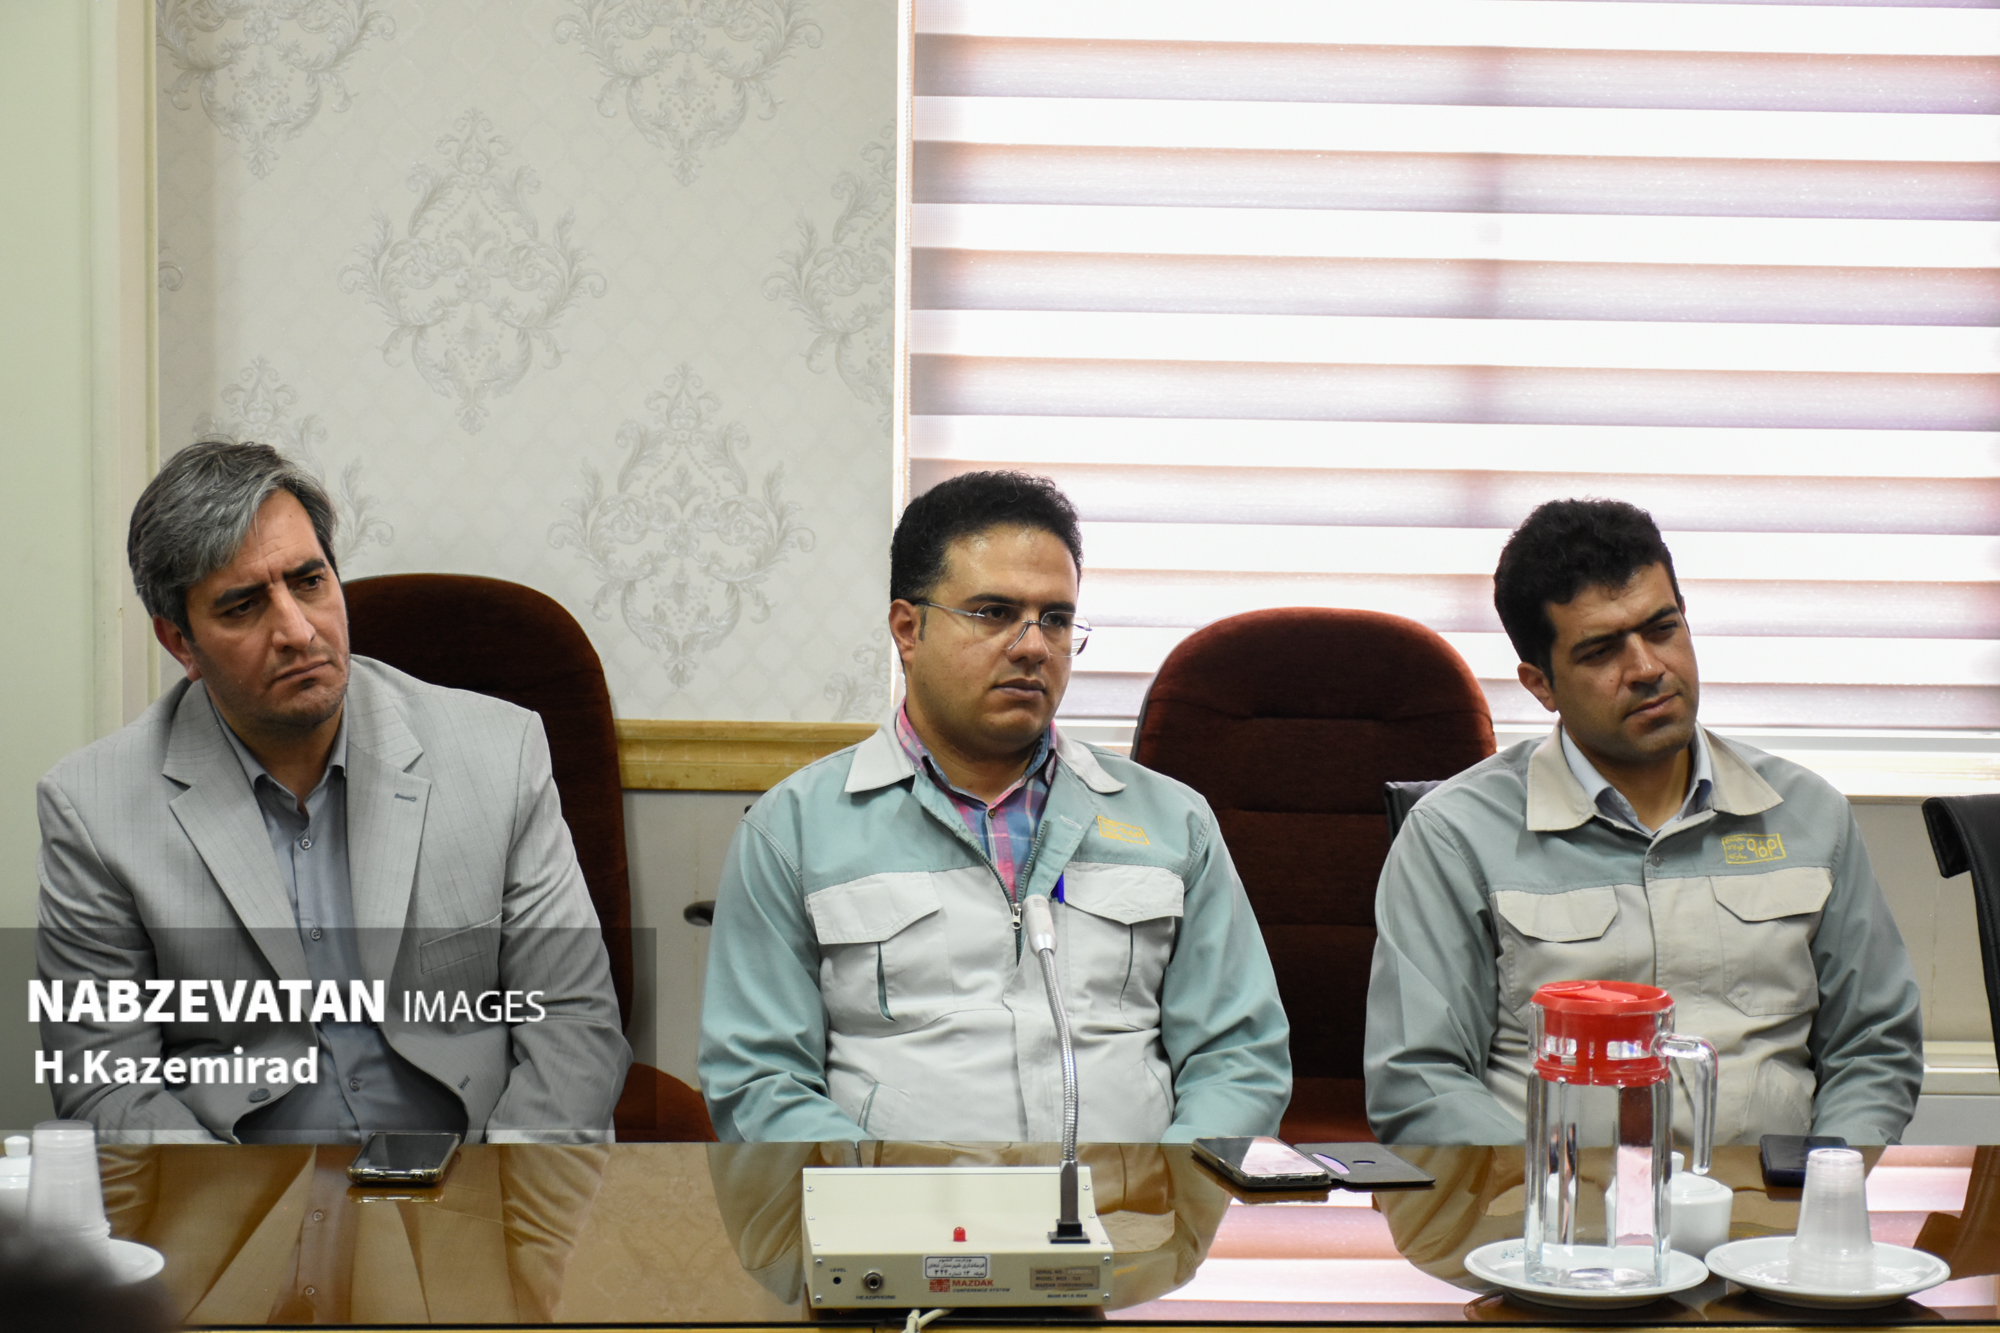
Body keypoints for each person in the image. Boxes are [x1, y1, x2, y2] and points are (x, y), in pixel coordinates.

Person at [36, 441, 629, 1143]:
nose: (296, 630)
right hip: (240, 1185)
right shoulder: (93, 808)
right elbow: (107, 1081)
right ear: (180, 644)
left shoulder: (499, 753)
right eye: (242, 606)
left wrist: (505, 1198)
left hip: (472, 1170)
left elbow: (571, 1019)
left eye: (309, 581)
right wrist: (235, 1209)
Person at [698, 470, 1290, 1141]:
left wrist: (1167, 1186)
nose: (1034, 646)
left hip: (1133, 1201)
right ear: (908, 629)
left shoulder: (1175, 823)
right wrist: (879, 1190)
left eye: (1056, 619)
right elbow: (760, 1081)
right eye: (994, 613)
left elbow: (1239, 1059)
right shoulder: (794, 831)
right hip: (893, 1204)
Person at [1364, 498, 1923, 1146]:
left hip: (1768, 1203)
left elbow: (1875, 1047)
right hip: (1544, 1202)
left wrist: (1825, 1182)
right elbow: (1420, 1079)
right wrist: (1547, 1192)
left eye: (1662, 629)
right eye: (1601, 651)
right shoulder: (1455, 836)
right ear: (1540, 684)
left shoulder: (1807, 815)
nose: (1648, 669)